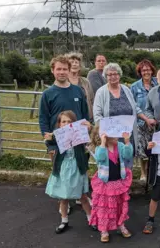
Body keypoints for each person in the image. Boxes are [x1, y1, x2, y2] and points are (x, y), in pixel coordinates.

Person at [39, 55, 90, 218]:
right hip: (58, 144)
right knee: (61, 174)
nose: (62, 72)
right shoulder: (48, 94)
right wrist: (50, 145)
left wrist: (87, 131)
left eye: (64, 69)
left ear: (69, 70)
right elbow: (43, 119)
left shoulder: (78, 91)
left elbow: (84, 115)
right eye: (58, 69)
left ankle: (80, 198)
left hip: (78, 142)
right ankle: (64, 204)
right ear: (53, 71)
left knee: (80, 171)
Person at [44, 110, 94, 234]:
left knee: (82, 196)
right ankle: (64, 221)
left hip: (77, 168)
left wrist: (89, 128)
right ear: (59, 124)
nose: (66, 124)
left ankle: (91, 219)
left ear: (74, 124)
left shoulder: (79, 135)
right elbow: (50, 142)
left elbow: (89, 140)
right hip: (63, 169)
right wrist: (49, 139)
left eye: (70, 122)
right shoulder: (57, 136)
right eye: (63, 121)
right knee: (63, 197)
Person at [89, 126, 134, 242]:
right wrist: (103, 143)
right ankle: (104, 230)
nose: (116, 136)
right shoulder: (100, 148)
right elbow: (100, 157)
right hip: (105, 184)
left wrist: (127, 141)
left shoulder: (119, 146)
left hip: (118, 183)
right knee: (105, 208)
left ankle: (121, 225)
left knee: (119, 206)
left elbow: (128, 155)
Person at [93, 63, 140, 169]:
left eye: (115, 74)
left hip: (127, 135)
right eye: (109, 75)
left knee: (127, 163)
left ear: (119, 75)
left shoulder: (126, 90)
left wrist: (146, 118)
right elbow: (97, 115)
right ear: (105, 76)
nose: (113, 76)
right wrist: (106, 132)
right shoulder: (101, 92)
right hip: (111, 138)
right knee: (112, 166)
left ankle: (127, 184)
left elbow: (134, 108)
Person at [130, 59, 158, 182]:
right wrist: (145, 118)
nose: (146, 72)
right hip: (141, 123)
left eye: (148, 69)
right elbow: (133, 106)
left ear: (152, 70)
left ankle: (155, 172)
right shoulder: (134, 87)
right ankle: (143, 173)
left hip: (156, 123)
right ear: (140, 72)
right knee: (142, 148)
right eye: (143, 70)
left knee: (155, 147)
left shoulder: (158, 83)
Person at [67, 52, 95, 120]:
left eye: (76, 62)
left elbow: (92, 100)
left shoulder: (86, 82)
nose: (74, 64)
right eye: (72, 62)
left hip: (86, 118)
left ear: (80, 66)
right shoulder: (64, 81)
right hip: (68, 119)